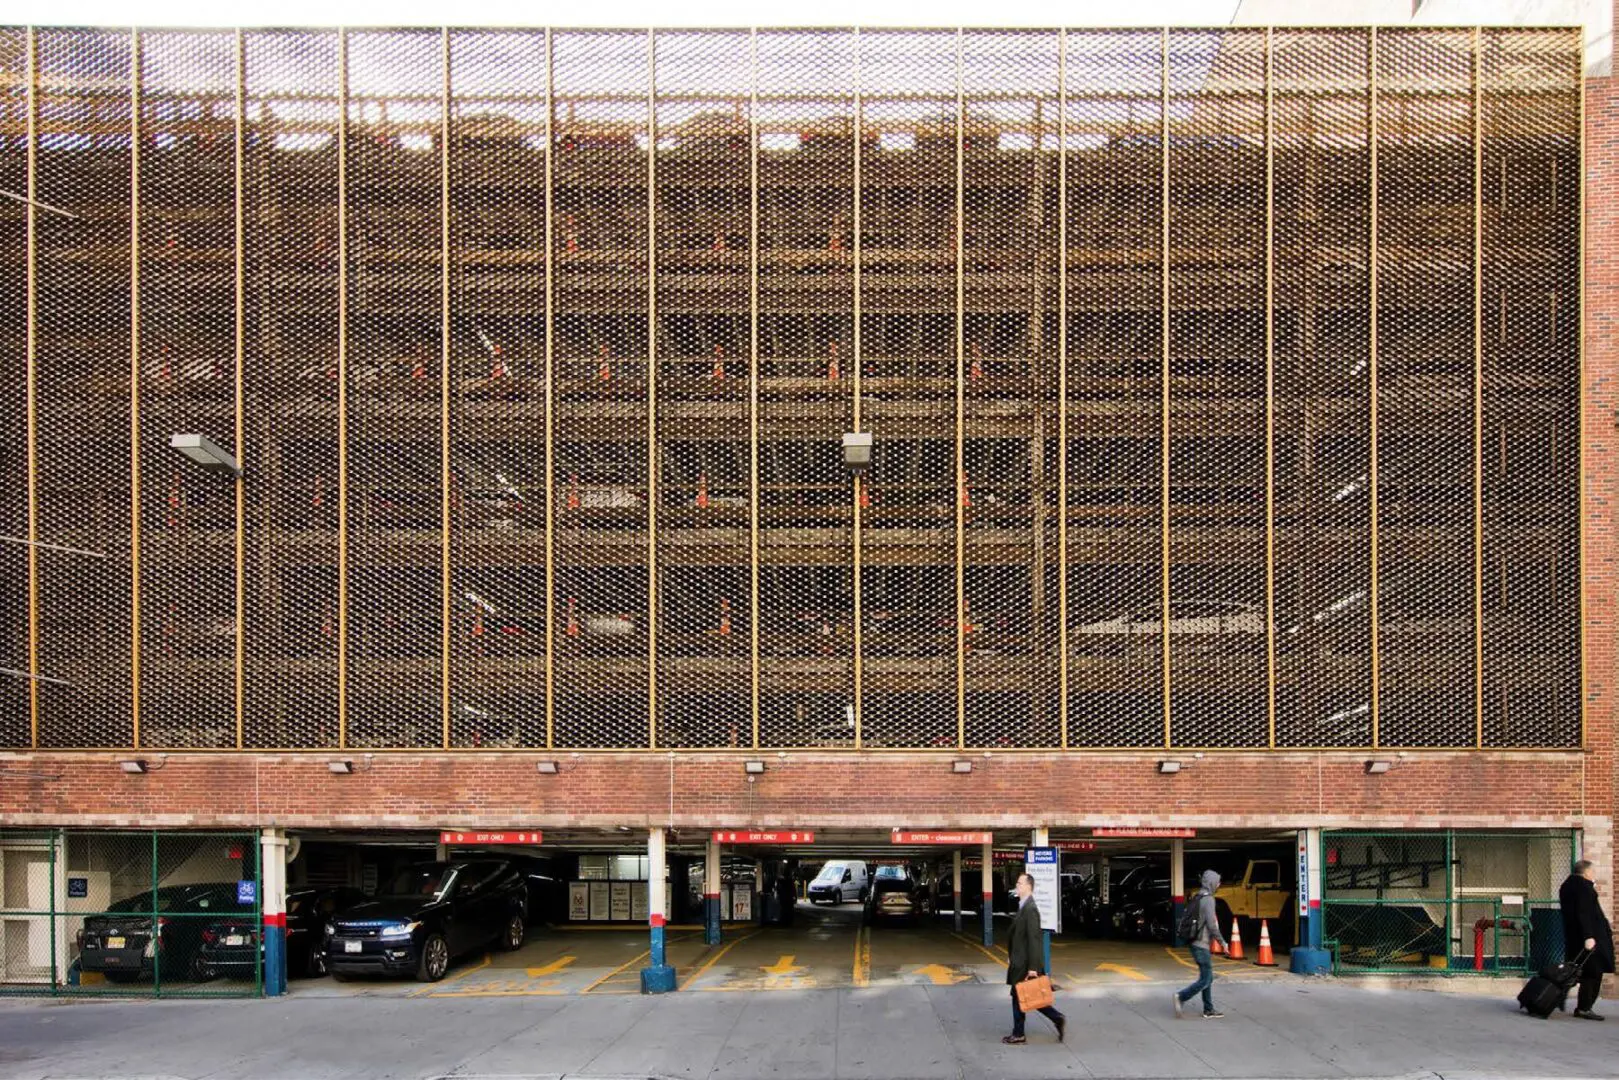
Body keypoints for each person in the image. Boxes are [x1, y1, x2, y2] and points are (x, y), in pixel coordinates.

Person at [1004, 872, 1066, 1045]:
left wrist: (1033, 967)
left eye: (1020, 883)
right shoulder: (1023, 905)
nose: (1017, 886)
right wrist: (1011, 955)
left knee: (1021, 996)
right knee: (1028, 996)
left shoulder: (1031, 909)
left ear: (1029, 886)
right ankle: (1056, 1018)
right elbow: (1019, 937)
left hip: (1025, 963)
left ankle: (1019, 1033)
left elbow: (1034, 939)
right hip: (1020, 960)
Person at [1558, 860, 1614, 1019]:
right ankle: (1584, 1007)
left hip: (1575, 936)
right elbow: (1584, 913)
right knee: (1593, 972)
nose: (1594, 874)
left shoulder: (1567, 885)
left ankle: (1562, 995)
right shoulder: (1583, 887)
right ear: (1586, 872)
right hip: (1589, 938)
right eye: (1592, 871)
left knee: (1578, 971)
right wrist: (1588, 936)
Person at [1174, 869, 1229, 1020]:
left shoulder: (1198, 896)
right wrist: (1222, 942)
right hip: (1201, 944)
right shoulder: (1209, 900)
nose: (1219, 884)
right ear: (1212, 883)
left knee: (1207, 976)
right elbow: (1212, 925)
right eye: (1217, 882)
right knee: (1206, 978)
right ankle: (1181, 997)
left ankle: (1208, 1009)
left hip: (1195, 942)